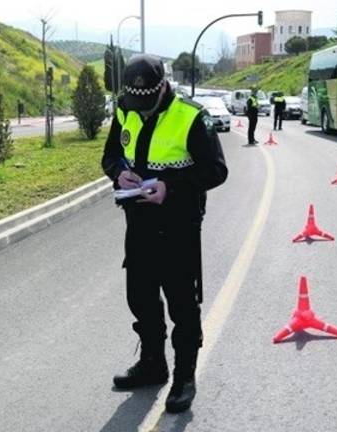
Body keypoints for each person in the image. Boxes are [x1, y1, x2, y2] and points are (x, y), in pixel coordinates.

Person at [101, 54, 228, 414]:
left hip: (179, 226)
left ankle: (184, 377)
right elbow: (111, 154)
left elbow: (216, 171)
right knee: (140, 297)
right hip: (138, 221)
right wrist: (118, 174)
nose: (140, 111)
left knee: (182, 305)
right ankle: (153, 364)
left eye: (147, 103)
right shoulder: (126, 108)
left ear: (163, 88)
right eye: (134, 103)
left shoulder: (191, 116)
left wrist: (170, 187)